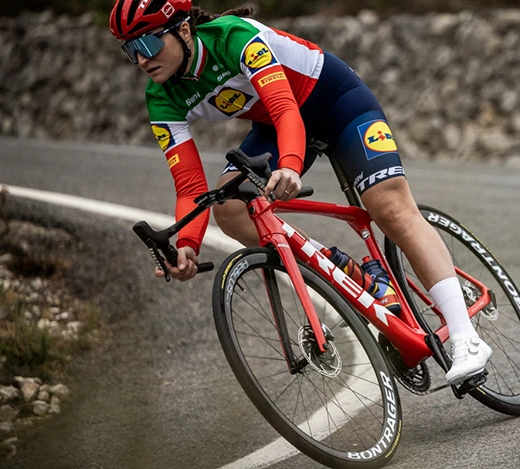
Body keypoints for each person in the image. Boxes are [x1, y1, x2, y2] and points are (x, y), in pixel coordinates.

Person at [109, 0, 492, 384]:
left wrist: (290, 166)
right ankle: (352, 275)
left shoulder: (236, 38)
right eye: (130, 50)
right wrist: (187, 243)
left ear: (184, 29)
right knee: (230, 209)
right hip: (275, 125)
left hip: (336, 103)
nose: (141, 60)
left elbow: (285, 109)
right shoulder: (161, 97)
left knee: (388, 207)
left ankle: (464, 337)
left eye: (148, 45)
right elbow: (190, 186)